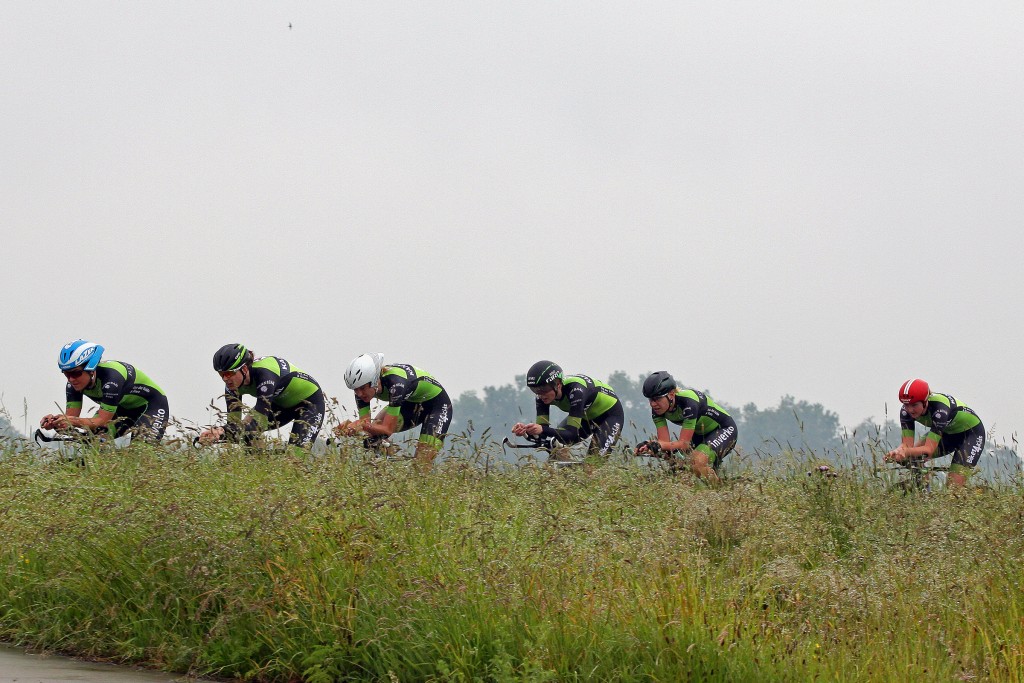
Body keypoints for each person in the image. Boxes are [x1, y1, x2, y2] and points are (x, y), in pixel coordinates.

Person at [334, 353, 453, 471]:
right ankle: (393, 472)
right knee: (374, 433)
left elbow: (387, 430)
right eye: (355, 389)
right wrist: (350, 427)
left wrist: (360, 425)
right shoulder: (362, 390)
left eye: (362, 388)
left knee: (421, 467)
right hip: (410, 402)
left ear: (374, 380)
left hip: (437, 406)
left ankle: (409, 475)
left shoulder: (396, 385)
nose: (359, 394)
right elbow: (366, 425)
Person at [199, 343, 325, 450]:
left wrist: (222, 432)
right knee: (246, 437)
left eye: (229, 373)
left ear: (244, 369)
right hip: (280, 404)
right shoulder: (231, 388)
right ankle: (261, 470)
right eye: (221, 375)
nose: (225, 379)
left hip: (310, 403)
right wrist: (216, 433)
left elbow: (258, 423)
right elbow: (234, 427)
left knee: (295, 458)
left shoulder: (265, 376)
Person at [39, 339, 169, 443]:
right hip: (121, 409)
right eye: (66, 374)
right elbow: (70, 422)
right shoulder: (73, 385)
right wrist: (55, 422)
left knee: (141, 456)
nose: (71, 379)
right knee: (93, 442)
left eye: (76, 373)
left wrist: (70, 420)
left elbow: (102, 420)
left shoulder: (112, 379)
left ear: (91, 368)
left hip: (152, 406)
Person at [634, 371, 737, 481]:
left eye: (657, 399)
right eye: (650, 399)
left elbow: (683, 444)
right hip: (699, 435)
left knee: (696, 464)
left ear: (671, 394)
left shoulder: (688, 403)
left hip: (723, 429)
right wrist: (649, 446)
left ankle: (721, 492)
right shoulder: (657, 410)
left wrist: (658, 445)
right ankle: (719, 487)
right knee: (680, 468)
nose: (653, 404)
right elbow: (664, 443)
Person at [511, 360, 624, 461]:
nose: (540, 395)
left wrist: (542, 429)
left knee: (593, 463)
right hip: (586, 417)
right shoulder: (541, 397)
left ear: (558, 384)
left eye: (543, 389)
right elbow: (542, 435)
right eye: (534, 390)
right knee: (556, 449)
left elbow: (571, 434)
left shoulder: (576, 391)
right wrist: (526, 431)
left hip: (610, 415)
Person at [885, 378, 984, 487]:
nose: (910, 410)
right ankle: (924, 491)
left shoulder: (939, 410)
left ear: (925, 401)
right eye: (906, 405)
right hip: (947, 434)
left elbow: (928, 450)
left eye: (914, 405)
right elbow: (906, 446)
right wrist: (897, 452)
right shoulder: (905, 412)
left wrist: (905, 452)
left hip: (971, 435)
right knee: (913, 458)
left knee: (953, 490)